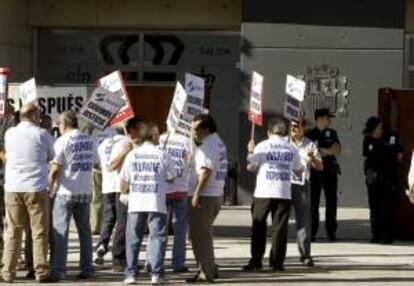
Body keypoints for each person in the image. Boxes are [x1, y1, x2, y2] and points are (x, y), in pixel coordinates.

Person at [2, 103, 55, 283]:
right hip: (36, 188)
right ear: (34, 116)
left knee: (13, 231)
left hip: (13, 187)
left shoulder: (10, 134)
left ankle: (8, 272)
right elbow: (51, 156)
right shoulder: (43, 134)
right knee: (39, 232)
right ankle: (41, 272)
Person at [243, 117, 302, 271]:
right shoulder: (291, 148)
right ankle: (277, 262)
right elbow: (298, 170)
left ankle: (256, 260)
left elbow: (250, 167)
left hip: (264, 192)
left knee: (259, 226)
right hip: (283, 192)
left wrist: (250, 150)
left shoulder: (262, 146)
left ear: (269, 132)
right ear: (283, 132)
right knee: (280, 229)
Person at [120, 123, 175, 285]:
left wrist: (125, 193)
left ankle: (131, 274)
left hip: (136, 203)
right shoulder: (162, 155)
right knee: (158, 238)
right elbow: (172, 177)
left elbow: (123, 182)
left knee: (133, 240)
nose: (159, 137)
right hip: (156, 202)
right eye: (157, 134)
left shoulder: (132, 155)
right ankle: (156, 274)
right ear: (153, 136)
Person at [48, 110, 95, 281]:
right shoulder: (89, 140)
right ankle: (87, 269)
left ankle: (59, 270)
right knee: (85, 232)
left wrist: (49, 186)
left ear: (65, 124)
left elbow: (55, 169)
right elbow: (94, 162)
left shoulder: (62, 141)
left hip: (65, 192)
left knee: (60, 232)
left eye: (59, 123)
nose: (58, 126)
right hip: (84, 191)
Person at [186, 114, 228, 283]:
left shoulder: (209, 145)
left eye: (196, 129)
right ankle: (208, 267)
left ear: (206, 129)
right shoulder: (215, 142)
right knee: (199, 235)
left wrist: (196, 194)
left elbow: (205, 172)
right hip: (213, 194)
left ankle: (206, 272)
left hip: (205, 196)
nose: (193, 132)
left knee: (201, 237)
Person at [108, 117, 145, 272]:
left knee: (136, 226)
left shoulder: (144, 145)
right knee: (123, 225)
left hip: (140, 190)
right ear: (132, 130)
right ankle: (118, 259)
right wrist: (125, 151)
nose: (144, 131)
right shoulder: (121, 144)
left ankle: (132, 258)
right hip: (124, 190)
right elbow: (112, 166)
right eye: (141, 128)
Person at [288, 120, 323, 267]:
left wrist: (313, 158)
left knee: (304, 222)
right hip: (284, 185)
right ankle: (276, 255)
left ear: (303, 129)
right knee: (280, 221)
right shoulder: (283, 143)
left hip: (302, 185)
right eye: (291, 126)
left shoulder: (310, 144)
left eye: (297, 126)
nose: (294, 128)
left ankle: (305, 255)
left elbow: (320, 167)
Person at [364, 117, 402, 244]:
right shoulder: (367, 138)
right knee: (375, 207)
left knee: (388, 207)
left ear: (379, 127)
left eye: (376, 130)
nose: (374, 134)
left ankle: (388, 235)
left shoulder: (392, 136)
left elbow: (399, 155)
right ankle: (376, 234)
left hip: (389, 178)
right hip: (373, 178)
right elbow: (366, 156)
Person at [94, 125, 127, 265]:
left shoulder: (103, 144)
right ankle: (119, 255)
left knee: (108, 217)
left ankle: (102, 244)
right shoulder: (126, 143)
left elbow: (97, 164)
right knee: (122, 220)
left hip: (107, 185)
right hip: (121, 185)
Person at [307, 108, 341, 241]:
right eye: (328, 117)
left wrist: (320, 150)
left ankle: (331, 232)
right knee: (313, 203)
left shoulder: (332, 133)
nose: (330, 120)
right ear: (320, 118)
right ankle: (312, 232)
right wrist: (327, 151)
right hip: (314, 171)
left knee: (332, 202)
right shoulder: (310, 133)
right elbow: (307, 152)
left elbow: (336, 150)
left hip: (330, 171)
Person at [159, 131, 190, 273]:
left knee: (159, 229)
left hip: (162, 189)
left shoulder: (161, 139)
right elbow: (190, 163)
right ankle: (178, 264)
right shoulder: (186, 140)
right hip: (180, 188)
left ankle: (155, 263)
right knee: (180, 230)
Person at [90, 127, 117, 234]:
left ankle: (109, 224)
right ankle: (96, 226)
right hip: (96, 167)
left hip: (109, 169)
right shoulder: (94, 131)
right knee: (96, 197)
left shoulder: (113, 131)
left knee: (109, 197)